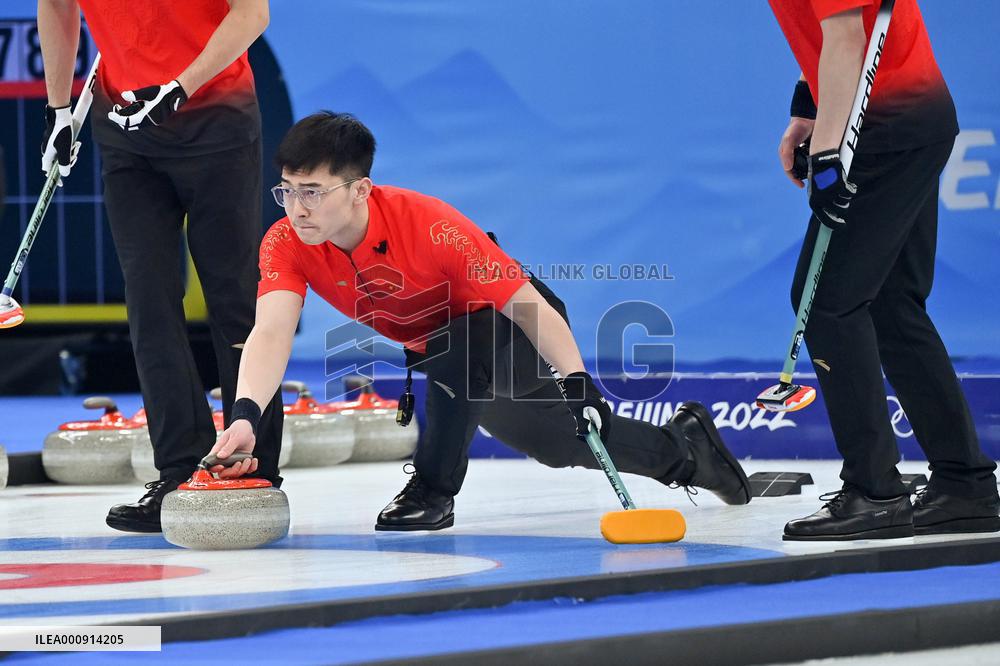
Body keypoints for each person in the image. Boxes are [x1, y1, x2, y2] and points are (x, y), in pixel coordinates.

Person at [208, 111, 752, 530]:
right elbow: (271, 330)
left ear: (360, 191)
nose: (296, 208)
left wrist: (577, 380)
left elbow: (528, 305)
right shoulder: (285, 241)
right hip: (453, 358)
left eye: (312, 193)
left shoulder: (432, 226)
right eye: (287, 191)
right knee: (558, 445)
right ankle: (687, 451)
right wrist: (246, 416)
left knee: (459, 343)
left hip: (511, 330)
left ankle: (432, 492)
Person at [38, 0, 284, 532]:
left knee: (233, 298)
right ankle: (177, 470)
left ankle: (253, 464)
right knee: (148, 302)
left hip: (217, 119)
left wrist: (181, 86)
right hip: (126, 130)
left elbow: (252, 14)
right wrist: (59, 108)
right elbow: (56, 7)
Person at [769, 0, 999, 540]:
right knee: (891, 304)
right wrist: (809, 108)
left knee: (826, 299)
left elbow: (848, 35)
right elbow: (841, 30)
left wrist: (828, 154)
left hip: (885, 127)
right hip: (902, 119)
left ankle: (874, 492)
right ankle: (964, 485)